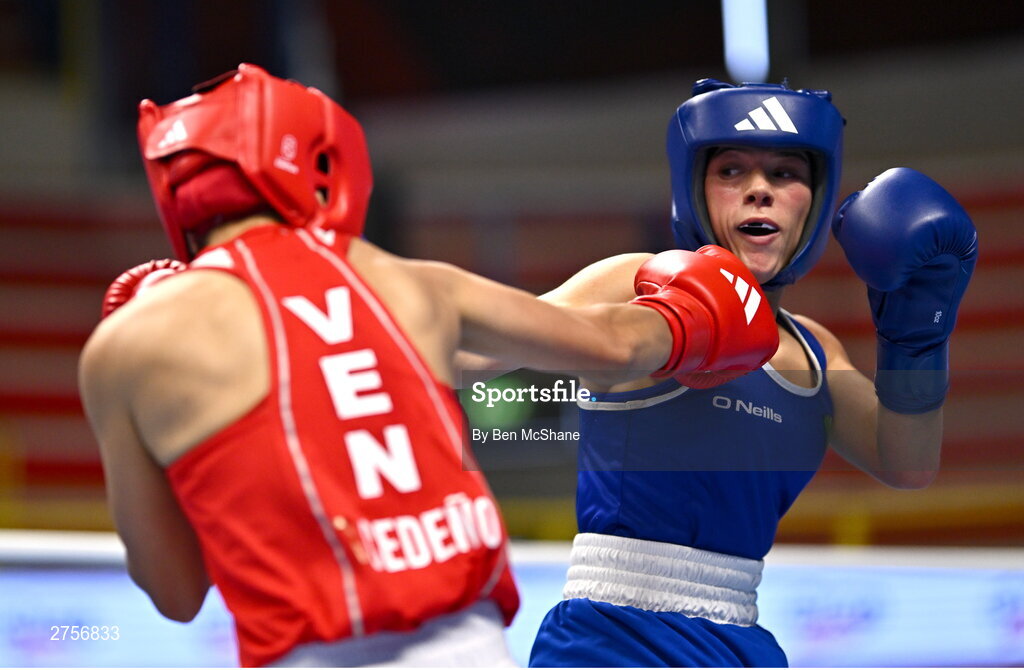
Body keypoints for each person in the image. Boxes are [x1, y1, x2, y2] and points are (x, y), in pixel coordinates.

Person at [77, 65, 781, 668]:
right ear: (311, 163)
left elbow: (176, 593)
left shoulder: (129, 345)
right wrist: (706, 310)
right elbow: (613, 345)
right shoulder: (402, 283)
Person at [497, 79, 977, 666]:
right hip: (613, 633)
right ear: (695, 190)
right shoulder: (637, 285)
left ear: (817, 198)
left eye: (783, 173)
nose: (758, 191)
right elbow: (493, 338)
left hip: (737, 636)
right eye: (731, 172)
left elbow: (907, 463)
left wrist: (917, 339)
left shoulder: (814, 350)